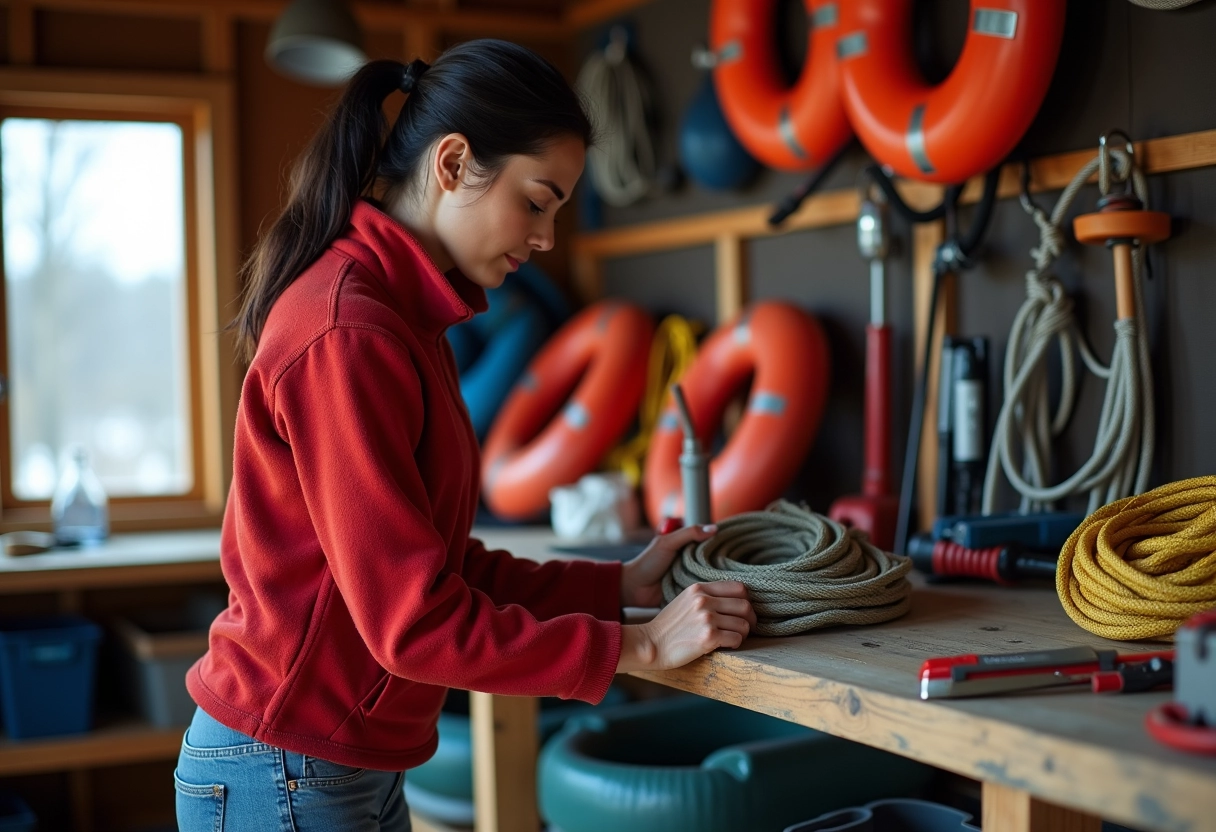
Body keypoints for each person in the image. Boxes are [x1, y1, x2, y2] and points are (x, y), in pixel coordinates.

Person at [175, 39, 756, 832]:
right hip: (284, 765)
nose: (547, 237)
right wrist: (640, 647)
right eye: (538, 200)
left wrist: (617, 587)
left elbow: (439, 566)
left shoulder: (407, 319)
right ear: (452, 164)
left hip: (333, 763)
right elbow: (411, 625)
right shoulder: (351, 329)